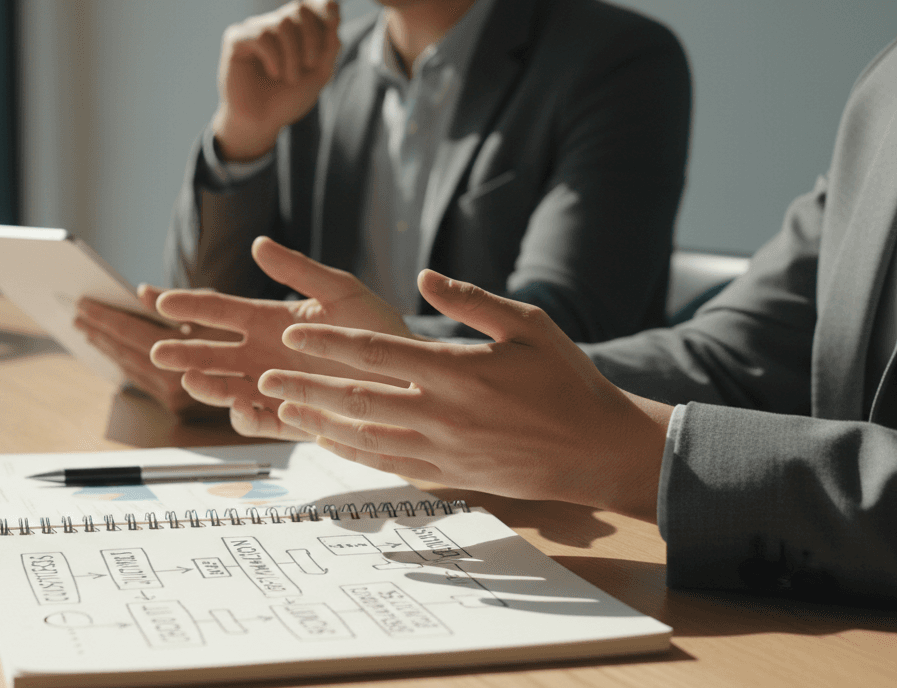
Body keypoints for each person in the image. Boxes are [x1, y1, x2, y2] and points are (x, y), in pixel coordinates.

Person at [172, 37, 897, 603]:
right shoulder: (886, 89)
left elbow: (572, 308)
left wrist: (646, 460)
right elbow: (737, 356)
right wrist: (396, 358)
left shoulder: (609, 57)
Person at [75, 0, 691, 415]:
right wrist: (244, 136)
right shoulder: (317, 69)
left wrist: (289, 359)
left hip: (533, 491)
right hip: (342, 463)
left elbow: (563, 333)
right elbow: (218, 310)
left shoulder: (617, 59)